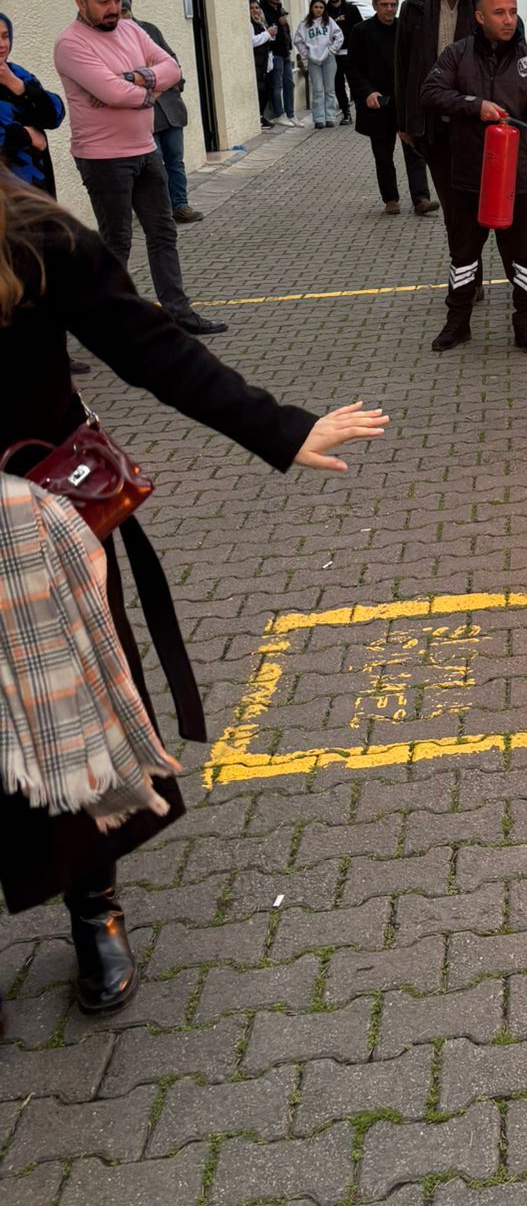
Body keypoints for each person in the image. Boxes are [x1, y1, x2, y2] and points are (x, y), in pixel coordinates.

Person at [0, 175, 386, 1014]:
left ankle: (92, 906)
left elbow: (151, 348)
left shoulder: (35, 233)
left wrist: (279, 428)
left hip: (36, 530)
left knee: (76, 716)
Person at [53, 0, 225, 338]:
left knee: (163, 233)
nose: (113, 8)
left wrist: (133, 80)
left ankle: (179, 313)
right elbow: (112, 93)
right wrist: (148, 89)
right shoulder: (71, 44)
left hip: (146, 150)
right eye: (103, 2)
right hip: (102, 157)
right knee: (117, 240)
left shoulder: (131, 29)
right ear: (80, 2)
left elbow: (173, 68)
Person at [420, 0, 527, 353]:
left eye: (513, 12)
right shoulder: (457, 54)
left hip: (521, 178)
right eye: (499, 13)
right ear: (480, 16)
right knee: (464, 256)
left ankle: (526, 325)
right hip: (471, 177)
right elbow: (431, 93)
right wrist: (475, 105)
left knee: (525, 256)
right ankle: (457, 324)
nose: (508, 19)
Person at [396, 0, 479, 216]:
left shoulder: (482, 5)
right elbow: (402, 67)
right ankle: (461, 252)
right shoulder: (414, 8)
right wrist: (404, 121)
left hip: (471, 118)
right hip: (431, 120)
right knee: (450, 199)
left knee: (470, 198)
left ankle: (466, 250)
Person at [346, 0, 437, 218]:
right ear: (375, 5)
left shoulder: (404, 29)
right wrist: (367, 92)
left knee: (414, 151)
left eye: (393, 4)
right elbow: (353, 68)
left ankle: (421, 199)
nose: (389, 9)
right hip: (377, 103)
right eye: (384, 5)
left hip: (404, 101)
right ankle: (391, 199)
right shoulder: (361, 31)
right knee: (383, 155)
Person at [119, 0, 199, 225]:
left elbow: (170, 60)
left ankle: (180, 205)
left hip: (170, 108)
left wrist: (176, 83)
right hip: (145, 111)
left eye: (126, 11)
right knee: (155, 165)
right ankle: (161, 211)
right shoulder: (112, 41)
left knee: (175, 160)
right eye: (120, 11)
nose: (123, 16)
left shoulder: (148, 30)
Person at [0, 11, 64, 195]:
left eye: (5, 36)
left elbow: (54, 115)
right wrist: (25, 135)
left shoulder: (17, 73)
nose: (2, 44)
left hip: (36, 188)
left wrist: (18, 86)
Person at [294, 0, 345, 127]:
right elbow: (298, 40)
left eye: (321, 7)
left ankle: (330, 117)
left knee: (329, 89)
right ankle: (319, 119)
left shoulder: (329, 22)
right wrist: (307, 54)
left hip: (328, 59)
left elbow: (339, 36)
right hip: (313, 61)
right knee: (317, 90)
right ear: (311, 8)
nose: (318, 10)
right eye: (316, 7)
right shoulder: (304, 24)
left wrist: (332, 50)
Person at [323, 0, 362, 126]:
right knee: (338, 85)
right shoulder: (325, 11)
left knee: (355, 84)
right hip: (333, 54)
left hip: (350, 53)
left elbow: (360, 30)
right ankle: (346, 113)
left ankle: (361, 111)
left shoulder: (351, 9)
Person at [260, 0, 295, 126]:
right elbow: (270, 32)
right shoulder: (264, 11)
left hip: (285, 51)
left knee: (289, 84)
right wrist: (280, 24)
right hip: (274, 54)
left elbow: (286, 28)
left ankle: (290, 114)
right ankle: (279, 113)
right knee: (277, 86)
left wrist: (290, 45)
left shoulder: (281, 8)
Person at [250, 0, 275, 129]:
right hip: (256, 63)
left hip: (265, 64)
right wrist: (267, 34)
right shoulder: (250, 25)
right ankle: (258, 117)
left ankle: (261, 116)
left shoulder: (260, 23)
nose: (255, 10)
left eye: (257, 7)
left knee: (267, 90)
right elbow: (252, 42)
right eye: (252, 8)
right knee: (260, 91)